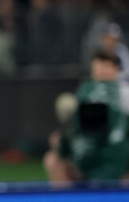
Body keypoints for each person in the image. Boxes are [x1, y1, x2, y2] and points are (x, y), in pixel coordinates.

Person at [44, 49, 129, 182]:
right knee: (52, 159)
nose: (101, 71)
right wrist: (63, 136)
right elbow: (78, 129)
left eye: (105, 66)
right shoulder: (84, 92)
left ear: (116, 70)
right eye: (98, 67)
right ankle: (70, 196)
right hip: (86, 156)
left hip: (117, 160)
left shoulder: (125, 93)